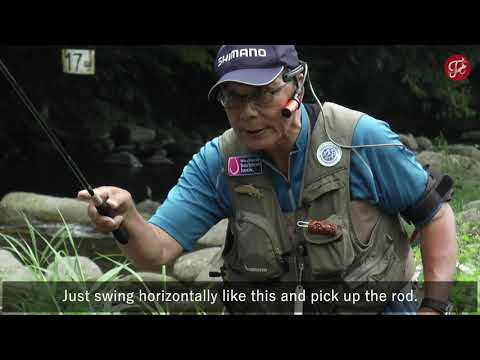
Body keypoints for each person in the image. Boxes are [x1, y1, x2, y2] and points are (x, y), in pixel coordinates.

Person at [78, 45, 457, 315]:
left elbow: (434, 214)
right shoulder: (217, 162)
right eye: (233, 98)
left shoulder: (357, 137)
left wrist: (434, 307)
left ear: (299, 85)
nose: (247, 113)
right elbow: (156, 252)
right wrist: (125, 218)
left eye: (263, 95)